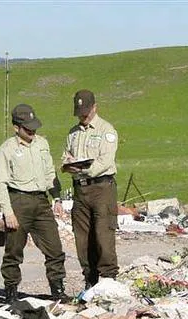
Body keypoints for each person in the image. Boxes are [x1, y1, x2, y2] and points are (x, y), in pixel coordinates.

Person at [0, 103, 68, 303]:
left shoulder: (42, 144)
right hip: (18, 200)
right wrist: (8, 212)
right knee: (14, 251)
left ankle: (58, 289)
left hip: (41, 201)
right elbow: (0, 183)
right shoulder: (6, 149)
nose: (32, 132)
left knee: (54, 248)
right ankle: (11, 292)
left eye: (34, 127)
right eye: (28, 129)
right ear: (16, 128)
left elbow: (50, 172)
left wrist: (57, 198)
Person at [61, 89, 119, 290]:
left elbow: (105, 160)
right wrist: (68, 164)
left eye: (86, 112)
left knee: (103, 235)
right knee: (82, 238)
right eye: (79, 113)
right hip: (80, 190)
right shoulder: (73, 133)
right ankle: (90, 279)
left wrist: (85, 170)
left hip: (101, 188)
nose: (83, 116)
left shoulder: (106, 130)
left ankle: (109, 278)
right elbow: (66, 155)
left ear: (95, 107)